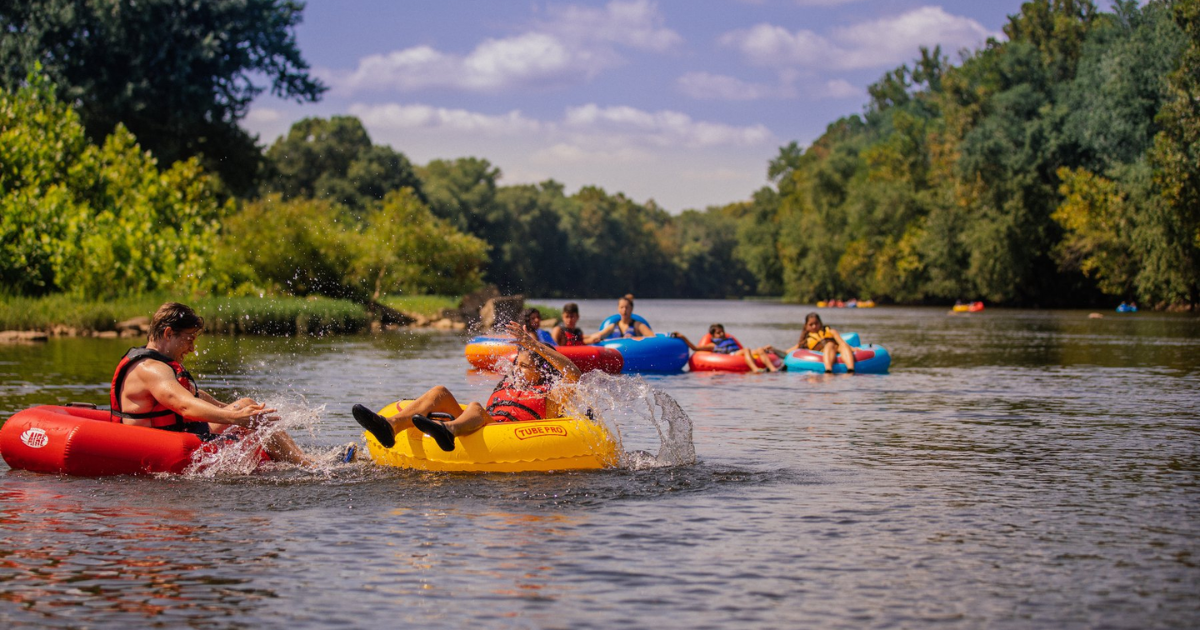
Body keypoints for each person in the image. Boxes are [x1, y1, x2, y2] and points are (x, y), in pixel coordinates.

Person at [110, 302, 340, 466]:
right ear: (168, 333)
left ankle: (306, 460)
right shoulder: (151, 369)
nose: (192, 348)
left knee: (247, 406)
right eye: (189, 339)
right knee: (248, 414)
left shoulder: (157, 365)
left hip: (173, 434)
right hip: (157, 445)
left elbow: (193, 395)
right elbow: (184, 405)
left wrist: (229, 409)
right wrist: (234, 418)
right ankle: (310, 466)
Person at [352, 320, 581, 452]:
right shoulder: (509, 384)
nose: (517, 371)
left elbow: (574, 374)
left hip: (505, 436)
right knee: (440, 392)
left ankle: (448, 431)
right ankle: (390, 426)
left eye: (524, 367)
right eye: (517, 365)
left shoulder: (551, 396)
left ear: (541, 371)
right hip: (482, 425)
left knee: (476, 407)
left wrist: (535, 345)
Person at [672, 323, 780, 373]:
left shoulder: (729, 338)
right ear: (713, 335)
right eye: (718, 333)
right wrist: (683, 337)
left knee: (760, 349)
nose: (722, 334)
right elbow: (695, 348)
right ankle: (755, 369)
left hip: (739, 353)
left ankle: (773, 369)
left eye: (722, 331)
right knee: (747, 350)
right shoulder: (713, 345)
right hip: (732, 355)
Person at [780, 312, 855, 374]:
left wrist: (855, 349)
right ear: (806, 326)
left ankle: (850, 369)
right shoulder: (805, 341)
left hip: (837, 349)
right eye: (811, 324)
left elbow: (842, 343)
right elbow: (787, 352)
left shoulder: (831, 331)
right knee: (829, 345)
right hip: (823, 352)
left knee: (841, 346)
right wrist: (774, 350)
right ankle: (828, 370)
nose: (814, 326)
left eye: (816, 323)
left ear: (820, 323)